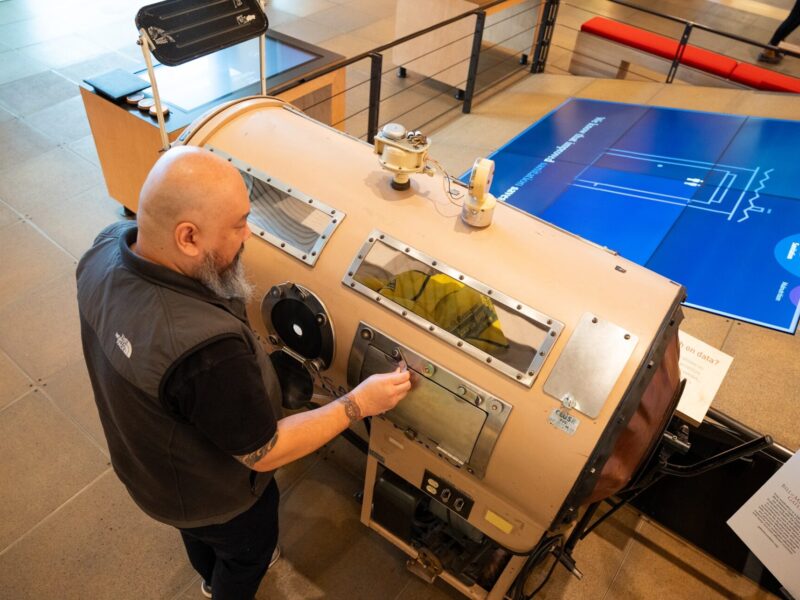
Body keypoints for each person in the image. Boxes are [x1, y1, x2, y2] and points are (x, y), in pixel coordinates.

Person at [76, 146, 412, 600]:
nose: (248, 235)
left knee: (196, 534)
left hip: (147, 471)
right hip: (217, 500)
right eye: (237, 225)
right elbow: (264, 452)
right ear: (188, 238)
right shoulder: (205, 351)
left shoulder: (103, 249)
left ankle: (209, 577)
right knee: (246, 552)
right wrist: (358, 403)